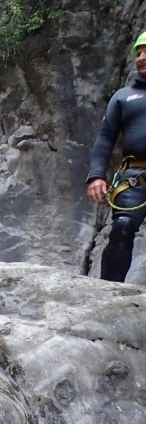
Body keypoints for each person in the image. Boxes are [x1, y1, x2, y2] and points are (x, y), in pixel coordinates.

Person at [85, 31, 146, 283]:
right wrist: (97, 175)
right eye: (138, 53)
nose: (141, 58)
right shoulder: (123, 97)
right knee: (121, 228)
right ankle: (108, 292)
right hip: (136, 177)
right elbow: (105, 137)